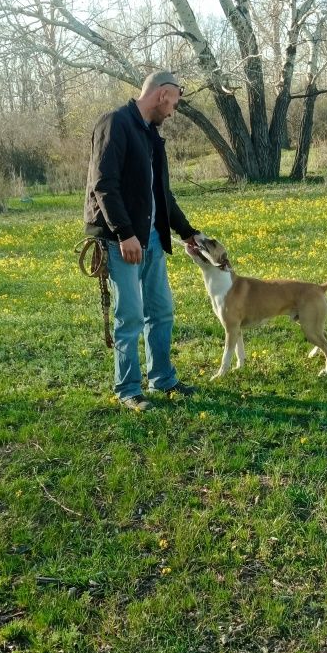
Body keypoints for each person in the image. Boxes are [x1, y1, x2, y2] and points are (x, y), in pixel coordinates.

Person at [84, 70, 199, 411]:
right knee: (130, 316)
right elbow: (104, 185)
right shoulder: (115, 123)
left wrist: (187, 232)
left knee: (161, 311)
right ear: (163, 94)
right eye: (175, 101)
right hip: (123, 241)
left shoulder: (150, 134)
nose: (174, 110)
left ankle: (162, 378)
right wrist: (124, 234)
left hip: (149, 237)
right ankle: (128, 389)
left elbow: (161, 194)